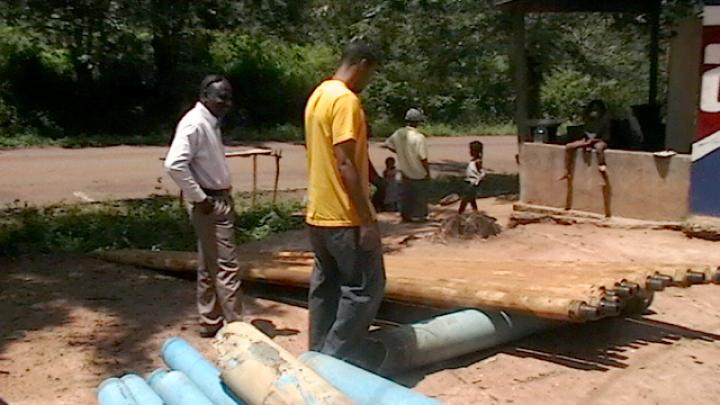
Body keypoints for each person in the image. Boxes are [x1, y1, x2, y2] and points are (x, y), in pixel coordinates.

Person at [303, 41, 386, 361]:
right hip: (344, 216)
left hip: (318, 214)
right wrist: (366, 217)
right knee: (365, 287)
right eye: (371, 73)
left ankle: (317, 353)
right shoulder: (345, 100)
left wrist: (375, 178)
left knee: (326, 286)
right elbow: (345, 162)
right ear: (362, 64)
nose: (369, 81)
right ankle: (336, 361)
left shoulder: (318, 96)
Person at [164, 75, 243, 338]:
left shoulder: (209, 122)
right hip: (211, 203)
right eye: (221, 96)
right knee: (226, 266)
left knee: (209, 265)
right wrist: (200, 198)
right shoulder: (195, 124)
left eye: (228, 97)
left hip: (215, 200)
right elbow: (174, 164)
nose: (226, 102)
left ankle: (210, 321)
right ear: (204, 96)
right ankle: (237, 329)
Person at [385, 108, 430, 222]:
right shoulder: (419, 137)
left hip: (405, 171)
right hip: (419, 172)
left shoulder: (399, 133)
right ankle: (420, 217)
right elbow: (423, 158)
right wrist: (427, 172)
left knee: (406, 195)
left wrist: (400, 152)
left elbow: (388, 144)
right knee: (420, 195)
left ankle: (406, 216)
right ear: (418, 122)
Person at [561, 99, 610, 179]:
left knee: (599, 148)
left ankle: (602, 166)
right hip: (587, 140)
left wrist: (594, 141)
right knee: (569, 146)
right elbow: (586, 133)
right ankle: (567, 171)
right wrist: (586, 142)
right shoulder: (587, 120)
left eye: (597, 109)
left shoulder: (604, 122)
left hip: (599, 141)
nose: (594, 112)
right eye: (593, 109)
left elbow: (606, 137)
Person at [459, 141, 485, 214]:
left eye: (471, 150)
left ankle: (460, 213)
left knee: (465, 199)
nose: (469, 152)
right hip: (468, 182)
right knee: (471, 199)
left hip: (471, 184)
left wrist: (477, 181)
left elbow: (482, 173)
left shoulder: (477, 162)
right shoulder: (473, 161)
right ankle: (476, 212)